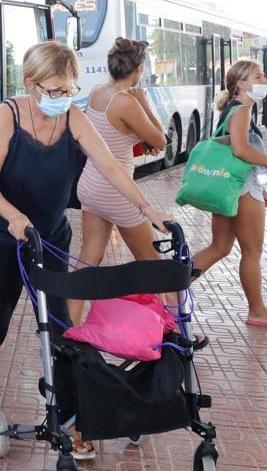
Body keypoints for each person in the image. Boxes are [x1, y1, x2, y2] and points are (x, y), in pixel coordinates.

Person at [0, 41, 172, 460]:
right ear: (31, 85)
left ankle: (69, 414)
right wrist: (14, 218)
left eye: (68, 90)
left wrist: (145, 208)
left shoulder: (73, 116)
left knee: (62, 328)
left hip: (47, 235)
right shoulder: (7, 116)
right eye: (53, 91)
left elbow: (109, 165)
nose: (61, 98)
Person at [73, 38, 168, 321]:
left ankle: (68, 323)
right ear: (138, 69)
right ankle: (169, 327)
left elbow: (111, 135)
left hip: (91, 185)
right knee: (152, 264)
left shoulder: (97, 93)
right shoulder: (127, 101)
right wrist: (145, 103)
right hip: (118, 191)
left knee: (89, 259)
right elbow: (160, 140)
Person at [191, 60, 267, 328]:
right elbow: (240, 149)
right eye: (258, 76)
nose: (265, 80)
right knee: (252, 252)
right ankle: (257, 310)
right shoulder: (243, 110)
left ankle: (170, 289)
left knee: (219, 247)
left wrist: (261, 186)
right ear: (241, 84)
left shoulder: (232, 109)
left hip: (231, 186)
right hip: (241, 190)